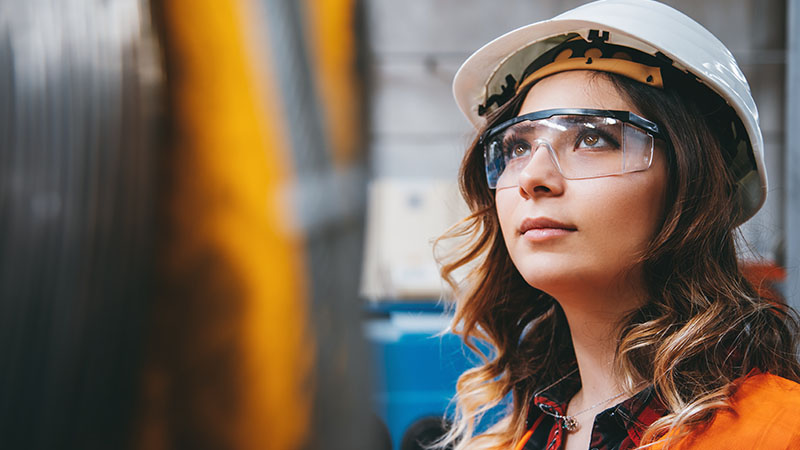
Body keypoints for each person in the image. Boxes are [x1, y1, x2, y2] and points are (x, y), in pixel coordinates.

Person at [435, 1, 800, 449]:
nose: (531, 177)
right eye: (516, 147)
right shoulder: (500, 443)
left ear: (692, 183)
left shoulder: (781, 432)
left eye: (592, 137)